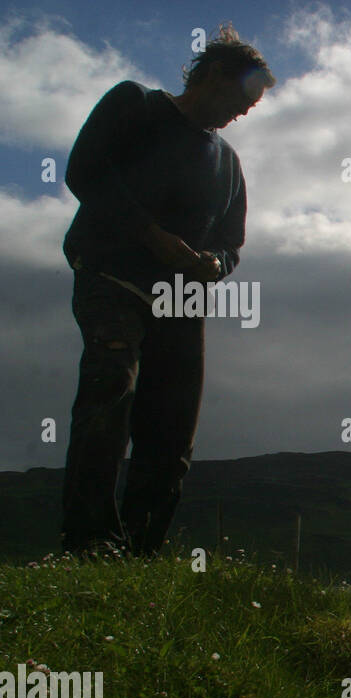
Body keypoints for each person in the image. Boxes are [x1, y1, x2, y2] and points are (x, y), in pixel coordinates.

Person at [60, 24, 273, 557]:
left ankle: (139, 552)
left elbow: (231, 244)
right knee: (111, 391)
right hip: (111, 272)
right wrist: (152, 236)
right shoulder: (134, 104)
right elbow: (84, 172)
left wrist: (213, 264)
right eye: (243, 97)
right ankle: (89, 543)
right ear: (212, 76)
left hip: (182, 299)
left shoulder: (229, 163)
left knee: (173, 427)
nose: (245, 112)